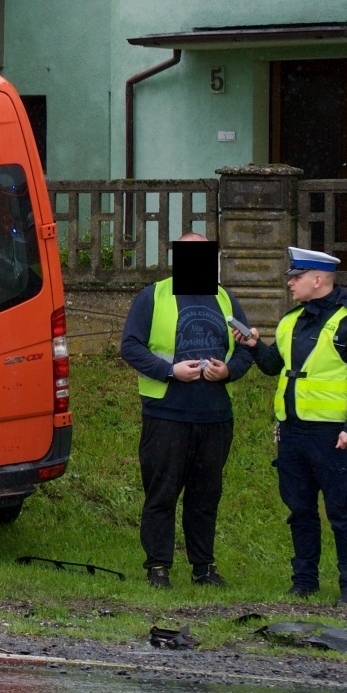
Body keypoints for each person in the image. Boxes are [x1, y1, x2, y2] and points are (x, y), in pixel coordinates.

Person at [237, 247, 347, 605]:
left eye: (295, 278)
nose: (290, 284)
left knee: (342, 510)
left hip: (332, 435)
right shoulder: (290, 320)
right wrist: (253, 345)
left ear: (318, 280)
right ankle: (304, 581)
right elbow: (273, 367)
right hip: (292, 432)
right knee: (300, 510)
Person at [119, 234, 253, 588]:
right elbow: (130, 346)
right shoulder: (154, 296)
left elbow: (245, 349)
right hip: (166, 413)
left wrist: (228, 372)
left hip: (214, 416)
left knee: (205, 496)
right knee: (161, 494)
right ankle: (158, 567)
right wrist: (170, 371)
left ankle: (203, 567)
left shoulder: (224, 297)